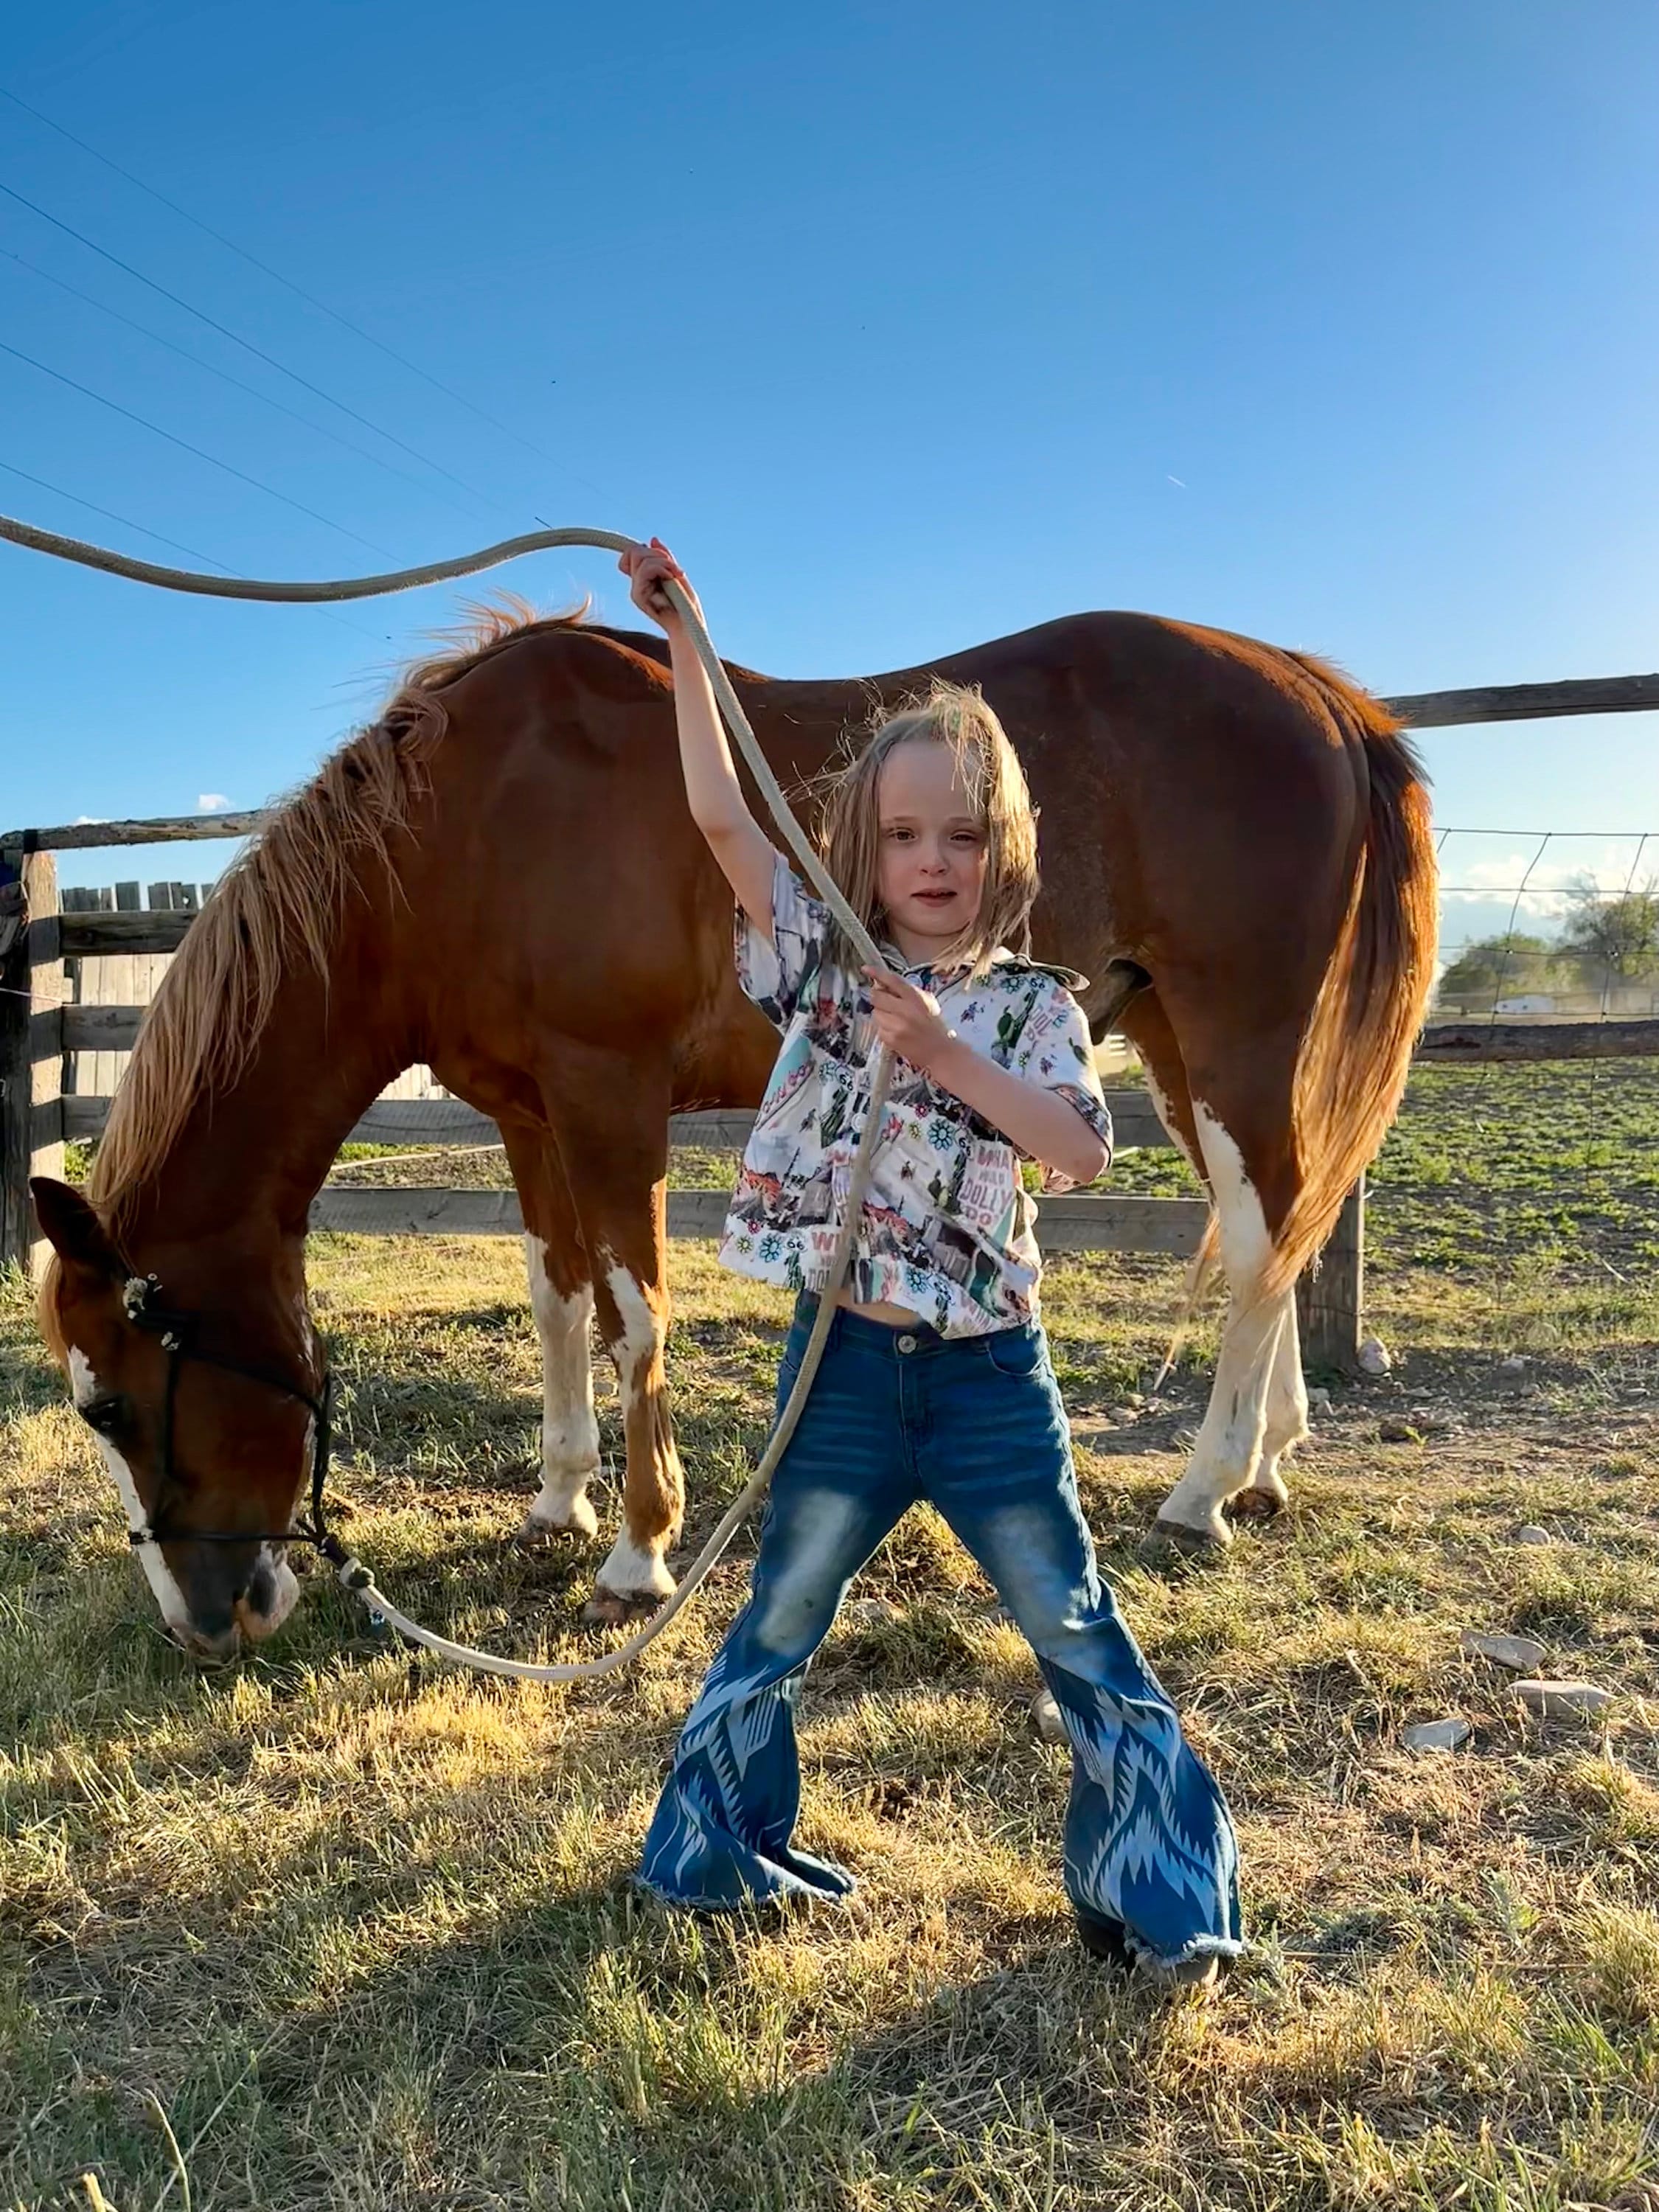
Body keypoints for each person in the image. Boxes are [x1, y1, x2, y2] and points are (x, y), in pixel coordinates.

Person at [616, 538, 1243, 1987]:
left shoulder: (1030, 1004)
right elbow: (722, 814)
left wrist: (947, 1055)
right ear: (865, 854)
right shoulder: (821, 969)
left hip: (982, 1387)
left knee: (1070, 1614)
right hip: (838, 1368)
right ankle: (715, 1858)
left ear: (1001, 851)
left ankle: (1156, 1887)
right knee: (777, 1610)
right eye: (903, 838)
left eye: (960, 836)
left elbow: (1077, 1152)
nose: (932, 863)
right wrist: (689, 639)